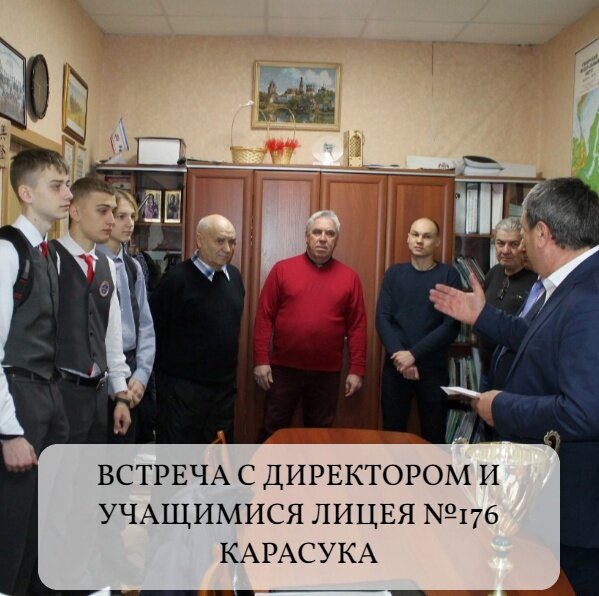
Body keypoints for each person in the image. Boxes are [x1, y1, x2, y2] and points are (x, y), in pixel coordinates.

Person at [429, 177, 599, 595]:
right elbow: (539, 342)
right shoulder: (570, 284)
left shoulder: (588, 298)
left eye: (522, 232)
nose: (519, 244)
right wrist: (483, 316)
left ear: (543, 233)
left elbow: (583, 412)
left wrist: (501, 407)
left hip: (576, 510)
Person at [0, 149, 72, 595]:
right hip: (18, 396)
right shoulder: (8, 251)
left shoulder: (47, 254)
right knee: (13, 524)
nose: (68, 194)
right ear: (26, 193)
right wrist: (8, 431)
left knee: (41, 521)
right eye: (57, 185)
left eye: (67, 185)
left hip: (48, 394)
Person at [253, 210, 367, 442]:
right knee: (272, 430)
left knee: (319, 437)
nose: (323, 238)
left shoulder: (350, 277)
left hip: (326, 373)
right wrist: (261, 360)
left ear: (336, 239)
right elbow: (264, 317)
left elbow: (357, 327)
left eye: (330, 233)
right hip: (282, 370)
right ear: (306, 236)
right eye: (317, 232)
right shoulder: (282, 270)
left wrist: (357, 369)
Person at [150, 214, 244, 443]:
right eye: (220, 241)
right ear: (200, 240)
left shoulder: (234, 277)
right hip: (182, 393)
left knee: (218, 456)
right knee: (178, 458)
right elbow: (155, 331)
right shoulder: (176, 280)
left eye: (232, 242)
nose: (227, 248)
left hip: (223, 393)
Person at [51, 177, 132, 443]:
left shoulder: (106, 265)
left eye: (112, 211)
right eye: (102, 211)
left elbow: (112, 334)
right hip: (61, 392)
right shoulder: (51, 258)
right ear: (75, 212)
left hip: (97, 395)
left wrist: (120, 394)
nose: (111, 220)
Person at [375, 217, 461, 443]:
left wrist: (413, 355)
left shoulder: (449, 276)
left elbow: (450, 326)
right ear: (408, 238)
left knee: (434, 436)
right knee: (392, 435)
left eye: (427, 236)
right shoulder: (394, 274)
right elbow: (382, 319)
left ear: (437, 242)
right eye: (415, 234)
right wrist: (402, 358)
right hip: (396, 368)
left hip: (432, 369)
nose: (419, 240)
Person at [97, 189, 155, 443]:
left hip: (131, 368)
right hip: (100, 372)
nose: (129, 223)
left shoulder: (133, 267)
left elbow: (146, 326)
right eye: (121, 216)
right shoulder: (92, 263)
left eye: (132, 216)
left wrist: (141, 375)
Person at [478, 217, 537, 391]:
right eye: (500, 243)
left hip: (515, 374)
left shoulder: (536, 281)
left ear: (524, 245)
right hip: (487, 369)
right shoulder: (493, 273)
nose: (505, 250)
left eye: (513, 244)